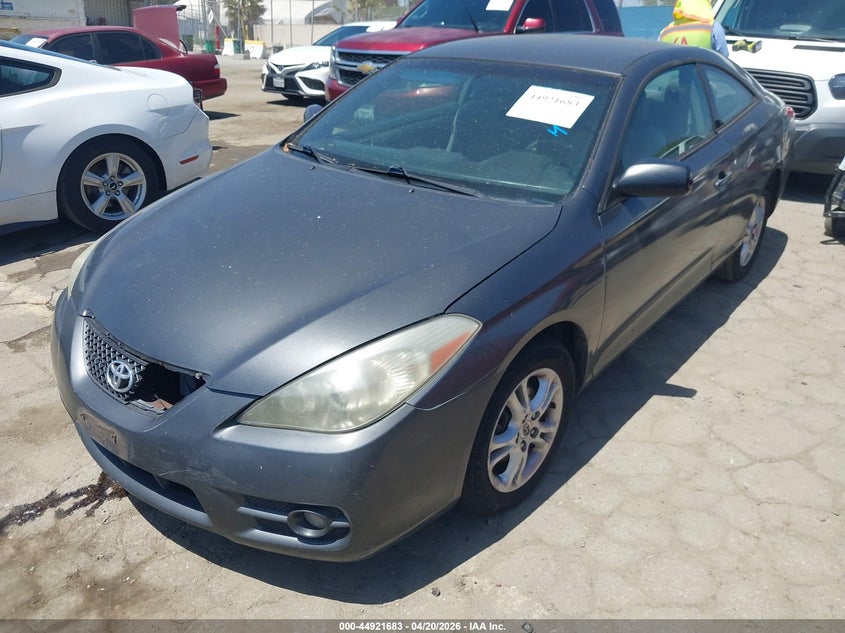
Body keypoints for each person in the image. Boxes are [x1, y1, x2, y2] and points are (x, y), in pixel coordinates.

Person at [659, 0, 729, 57]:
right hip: (700, 73)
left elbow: (657, 58)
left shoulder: (666, 31)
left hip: (672, 74)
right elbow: (724, 60)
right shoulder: (713, 28)